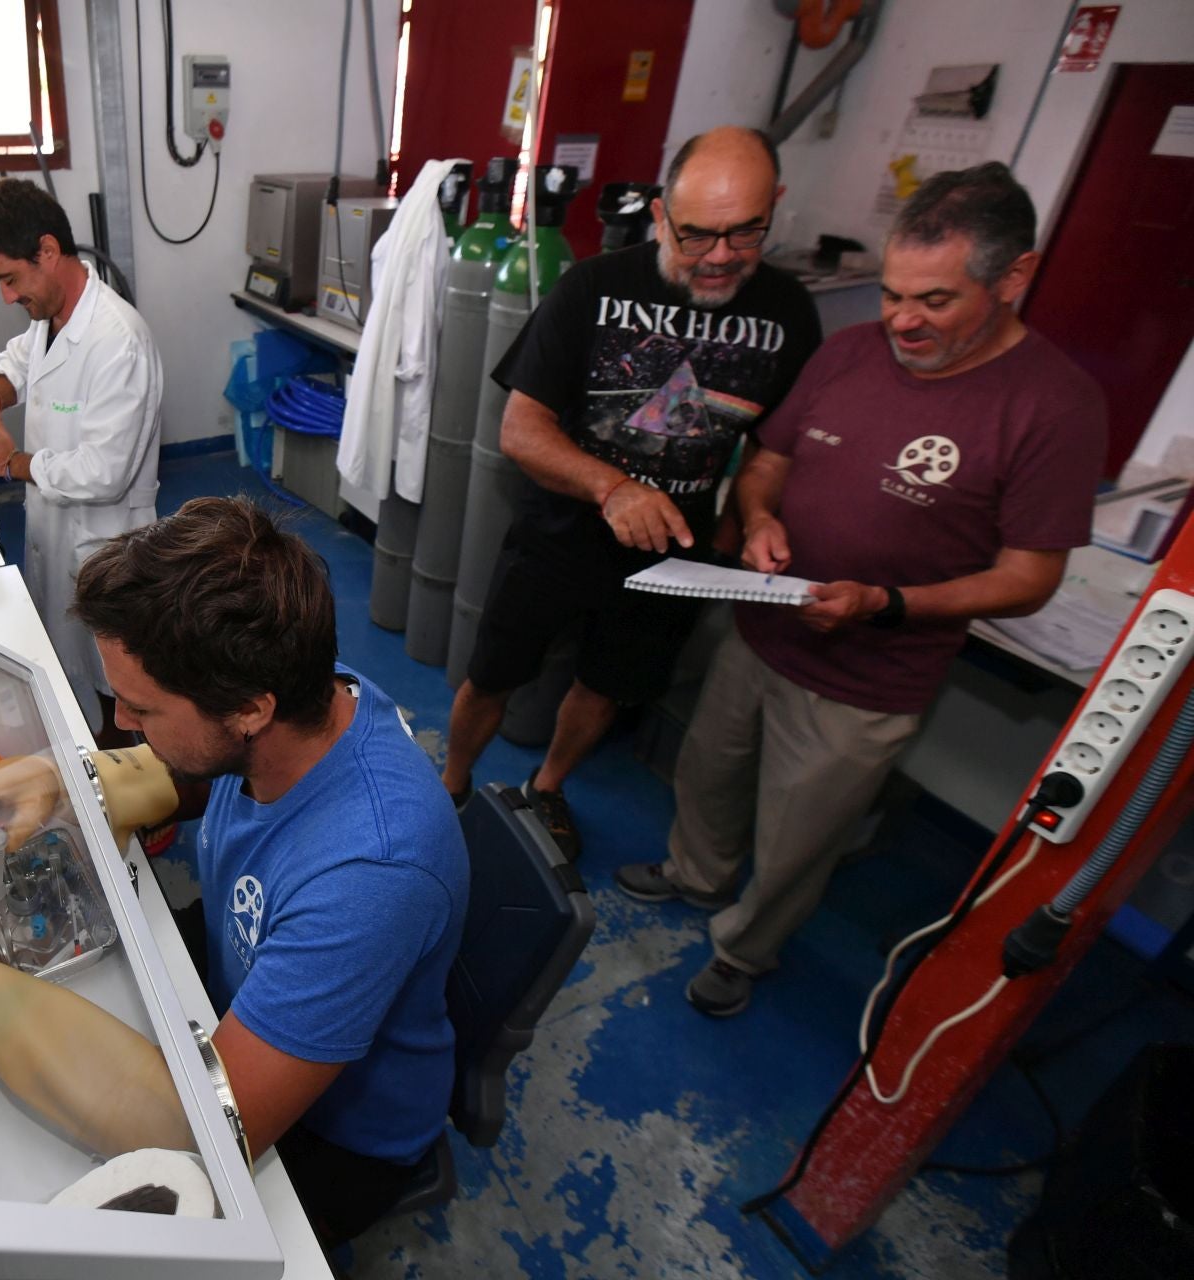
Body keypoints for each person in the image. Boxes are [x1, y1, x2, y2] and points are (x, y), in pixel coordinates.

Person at [0, 497, 470, 1246]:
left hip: (335, 1136)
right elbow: (219, 770)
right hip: (238, 978)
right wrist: (76, 781)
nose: (123, 723)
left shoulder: (373, 872)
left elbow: (200, 1129)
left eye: (141, 708)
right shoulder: (311, 690)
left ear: (250, 708)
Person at [614, 162, 1107, 1017]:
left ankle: (746, 947)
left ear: (1014, 277)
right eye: (890, 294)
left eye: (935, 301)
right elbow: (769, 462)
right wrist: (759, 518)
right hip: (764, 630)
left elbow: (1030, 577)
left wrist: (889, 604)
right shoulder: (849, 353)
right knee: (708, 772)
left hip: (866, 680)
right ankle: (695, 874)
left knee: (800, 837)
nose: (902, 321)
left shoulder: (1053, 406)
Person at [440, 126, 823, 858]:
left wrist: (759, 513)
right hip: (561, 531)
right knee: (494, 674)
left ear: (774, 209)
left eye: (745, 234)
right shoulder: (594, 286)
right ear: (659, 215)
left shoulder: (789, 314)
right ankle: (452, 783)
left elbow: (772, 447)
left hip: (673, 556)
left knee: (606, 685)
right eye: (698, 235)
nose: (719, 257)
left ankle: (548, 789)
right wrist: (611, 488)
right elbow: (522, 430)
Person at [0, 176, 163, 734]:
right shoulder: (50, 317)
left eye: (10, 279)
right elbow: (19, 361)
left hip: (104, 539)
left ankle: (146, 804)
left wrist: (10, 462)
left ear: (47, 252)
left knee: (124, 694)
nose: (6, 296)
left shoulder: (118, 339)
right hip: (55, 530)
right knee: (71, 672)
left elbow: (106, 473)